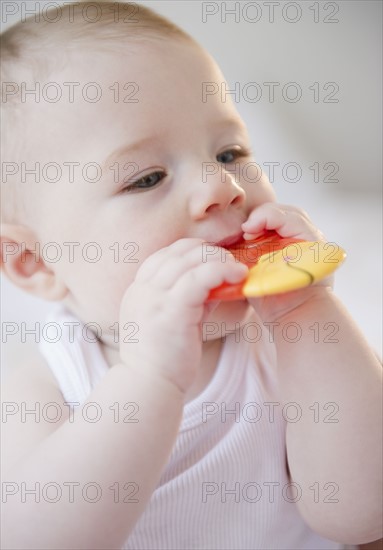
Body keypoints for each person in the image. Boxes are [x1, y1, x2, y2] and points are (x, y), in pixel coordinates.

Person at [1, 2, 381, 549]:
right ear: (34, 262)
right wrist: (149, 376)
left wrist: (305, 309)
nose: (221, 187)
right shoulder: (51, 387)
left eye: (230, 152)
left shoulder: (286, 344)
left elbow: (363, 513)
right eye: (148, 178)